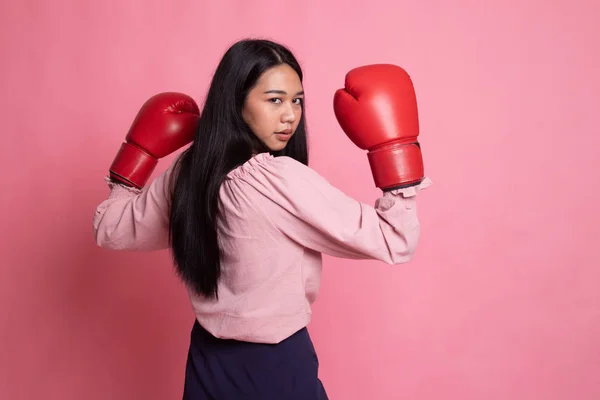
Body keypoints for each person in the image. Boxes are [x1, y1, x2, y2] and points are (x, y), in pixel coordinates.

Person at [92, 38, 431, 400]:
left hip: (207, 360)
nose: (290, 115)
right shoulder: (278, 178)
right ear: (236, 102)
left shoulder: (189, 170)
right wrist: (396, 153)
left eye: (296, 100)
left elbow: (110, 228)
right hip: (274, 365)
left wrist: (136, 155)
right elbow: (396, 238)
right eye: (274, 100)